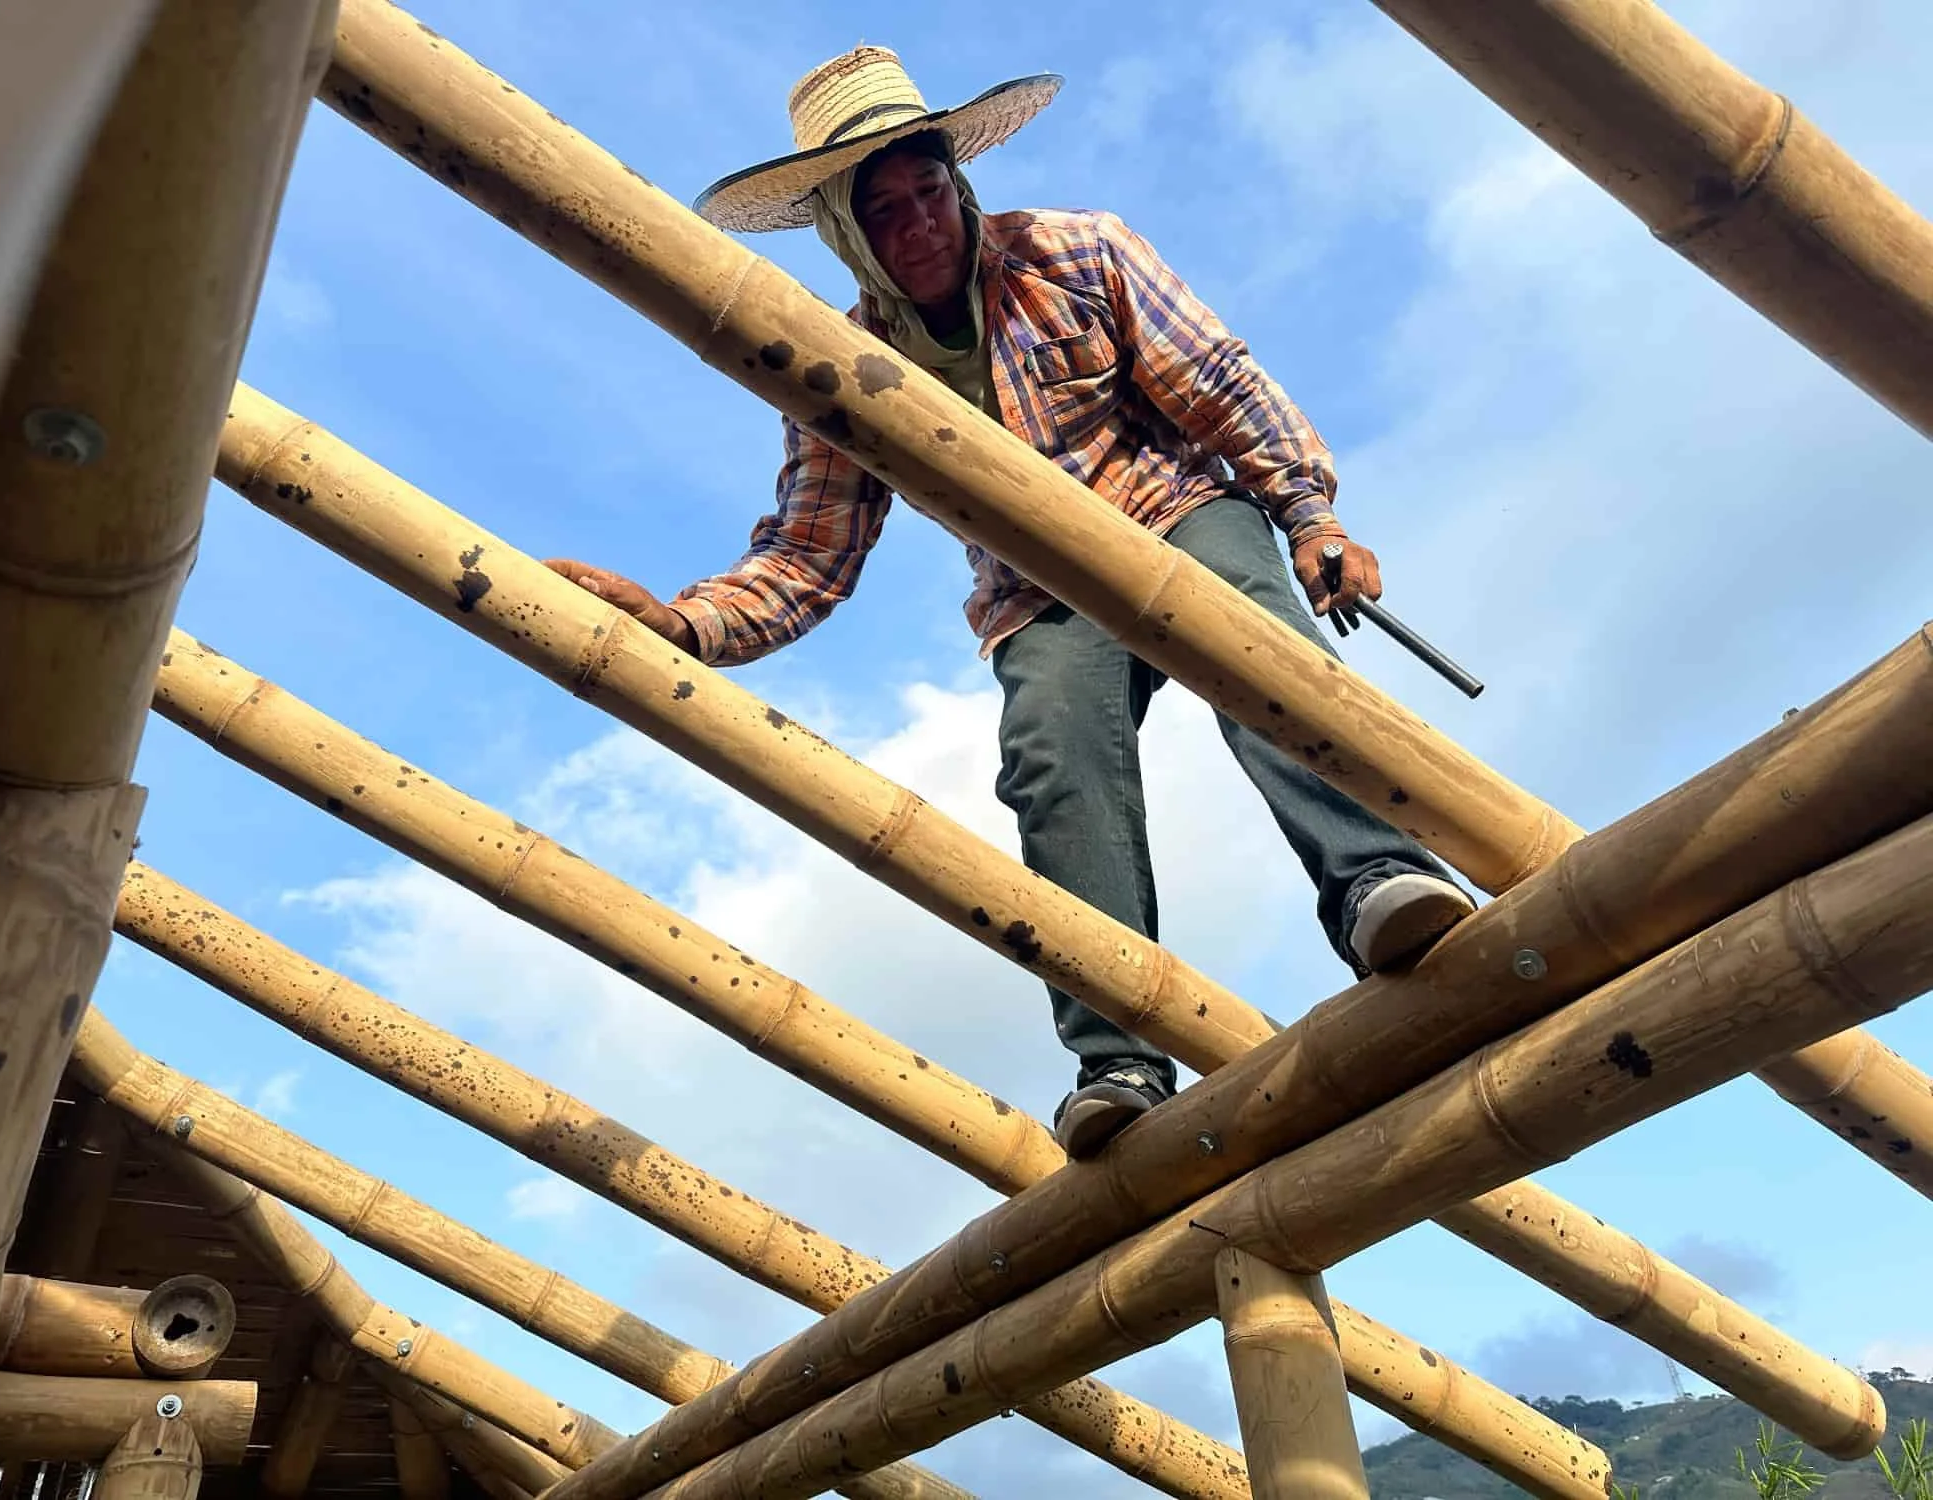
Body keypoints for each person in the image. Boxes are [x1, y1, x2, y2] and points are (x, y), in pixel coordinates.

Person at [545, 47, 1476, 1158]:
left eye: (927, 191)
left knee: (1250, 635)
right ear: (846, 235)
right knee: (1049, 752)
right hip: (1034, 591)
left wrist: (1307, 515)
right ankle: (1121, 1053)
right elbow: (806, 556)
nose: (917, 224)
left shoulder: (1077, 253)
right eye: (881, 211)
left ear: (959, 183)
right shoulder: (840, 366)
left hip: (1164, 504)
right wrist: (683, 623)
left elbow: (1221, 386)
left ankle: (1376, 880)